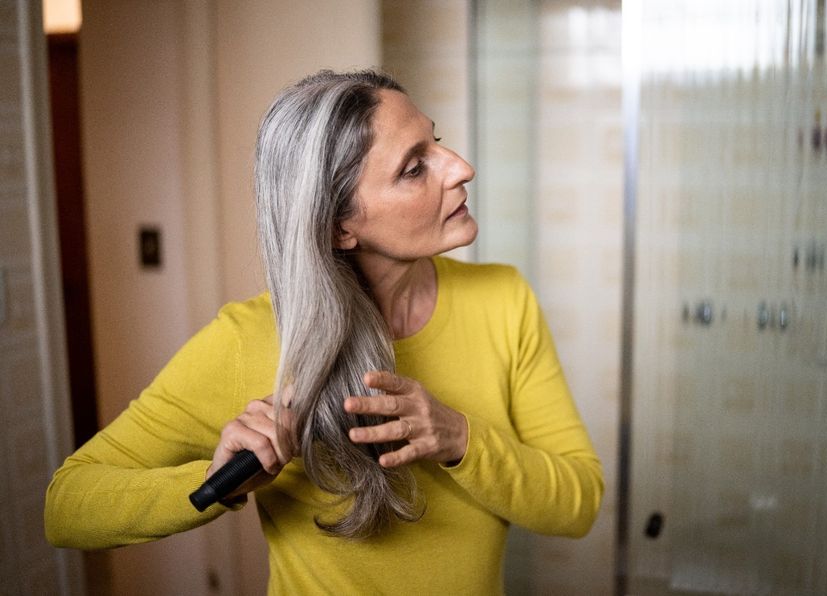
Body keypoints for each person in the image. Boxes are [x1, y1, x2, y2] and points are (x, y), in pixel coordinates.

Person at [45, 69, 603, 594]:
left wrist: (459, 437)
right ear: (339, 228)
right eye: (415, 167)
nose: (459, 167)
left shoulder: (504, 299)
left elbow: (577, 503)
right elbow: (67, 507)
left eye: (436, 142)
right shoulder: (250, 340)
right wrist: (215, 482)